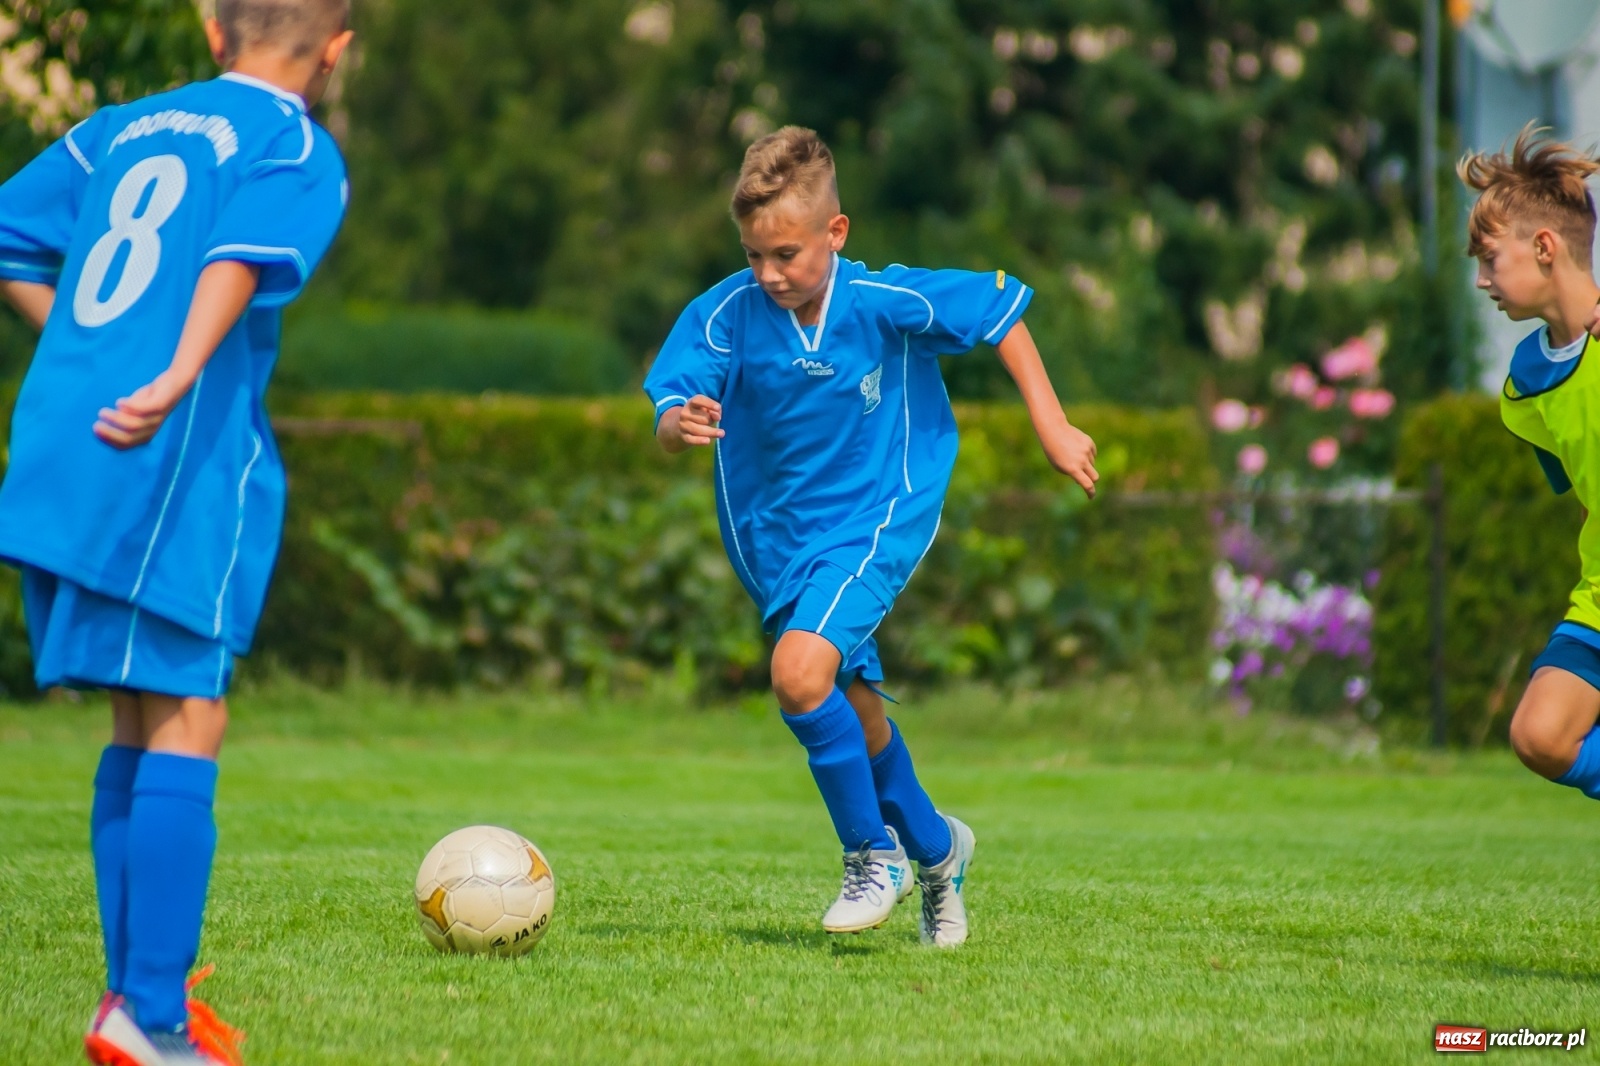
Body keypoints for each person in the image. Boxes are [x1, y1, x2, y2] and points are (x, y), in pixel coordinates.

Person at [0, 1, 352, 1061]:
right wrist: (176, 370)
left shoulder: (117, 128)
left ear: (214, 32)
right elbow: (235, 260)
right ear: (332, 52)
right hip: (167, 451)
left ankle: (130, 999)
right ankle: (149, 1013)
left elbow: (10, 235)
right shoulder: (292, 139)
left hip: (62, 438)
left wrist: (84, 343)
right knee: (190, 716)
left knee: (136, 714)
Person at [644, 126, 1098, 946]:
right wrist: (680, 423)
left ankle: (870, 857)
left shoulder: (885, 302)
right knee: (855, 715)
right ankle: (938, 855)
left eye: (785, 254)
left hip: (877, 519)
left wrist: (1054, 426)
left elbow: (1001, 309)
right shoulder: (725, 315)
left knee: (796, 672)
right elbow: (670, 406)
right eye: (753, 256)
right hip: (778, 545)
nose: (768, 273)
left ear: (835, 232)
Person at [1463, 126, 1600, 805]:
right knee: (1540, 736)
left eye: (1489, 260)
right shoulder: (1526, 384)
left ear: (1544, 248)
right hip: (1599, 599)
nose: (1482, 280)